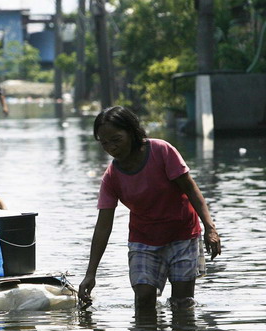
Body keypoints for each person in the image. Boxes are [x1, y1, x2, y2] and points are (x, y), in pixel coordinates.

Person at [78, 106, 221, 311]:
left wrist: (210, 228)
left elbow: (191, 190)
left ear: (132, 132)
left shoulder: (162, 151)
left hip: (182, 234)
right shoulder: (112, 177)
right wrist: (91, 273)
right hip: (144, 239)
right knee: (144, 298)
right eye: (104, 143)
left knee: (182, 304)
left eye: (116, 140)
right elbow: (103, 226)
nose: (112, 148)